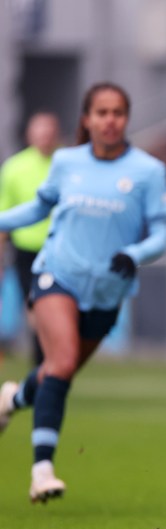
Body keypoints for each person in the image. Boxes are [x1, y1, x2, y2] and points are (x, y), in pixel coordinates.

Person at [0, 82, 166, 503]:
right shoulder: (66, 162)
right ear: (86, 119)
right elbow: (39, 209)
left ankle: (11, 397)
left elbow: (163, 233)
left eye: (117, 112)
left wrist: (135, 253)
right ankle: (42, 470)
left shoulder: (147, 171)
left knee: (55, 375)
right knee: (58, 362)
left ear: (126, 119)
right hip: (56, 273)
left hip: (107, 291)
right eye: (101, 112)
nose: (109, 120)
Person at [0, 111, 61, 365]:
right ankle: (43, 362)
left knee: (54, 308)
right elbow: (7, 211)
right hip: (27, 250)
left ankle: (49, 359)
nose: (45, 137)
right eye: (40, 131)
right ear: (30, 135)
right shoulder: (15, 167)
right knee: (36, 306)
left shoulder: (66, 165)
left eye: (49, 132)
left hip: (60, 249)